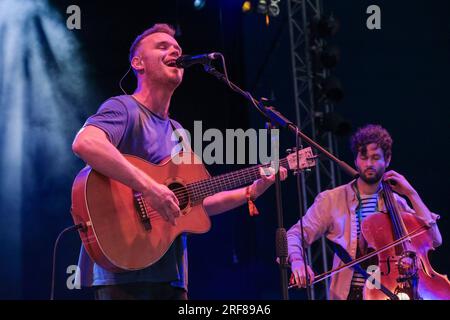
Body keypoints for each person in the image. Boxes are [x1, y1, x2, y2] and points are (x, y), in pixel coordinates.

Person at [72, 23, 287, 300]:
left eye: (177, 49)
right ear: (138, 63)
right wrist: (150, 188)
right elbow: (85, 143)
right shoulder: (123, 108)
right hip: (123, 267)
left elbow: (197, 202)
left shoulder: (179, 133)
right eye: (162, 47)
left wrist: (252, 191)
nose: (174, 50)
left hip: (172, 276)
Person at [287, 124, 442, 300]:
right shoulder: (331, 200)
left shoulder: (397, 203)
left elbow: (434, 239)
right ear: (355, 160)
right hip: (348, 295)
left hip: (390, 293)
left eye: (376, 157)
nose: (369, 163)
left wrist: (411, 193)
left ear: (388, 159)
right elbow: (294, 235)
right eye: (364, 157)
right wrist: (298, 262)